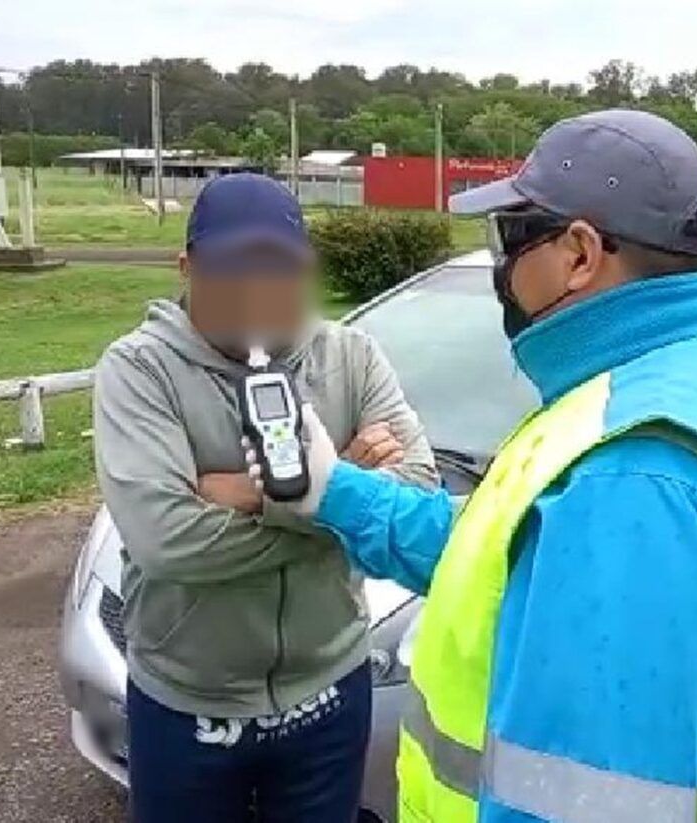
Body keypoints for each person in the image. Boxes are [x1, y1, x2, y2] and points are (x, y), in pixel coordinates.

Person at [251, 111, 697, 821]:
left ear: (579, 253)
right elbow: (496, 552)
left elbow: (585, 804)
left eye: (510, 239)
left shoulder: (635, 476)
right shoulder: (671, 382)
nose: (501, 268)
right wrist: (333, 490)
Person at [91, 173, 437, 823]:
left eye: (278, 267)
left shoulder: (352, 356)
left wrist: (256, 493)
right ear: (188, 267)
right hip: (188, 699)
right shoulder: (139, 370)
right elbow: (167, 540)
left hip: (329, 688)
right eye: (232, 266)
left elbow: (418, 490)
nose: (256, 288)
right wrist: (342, 493)